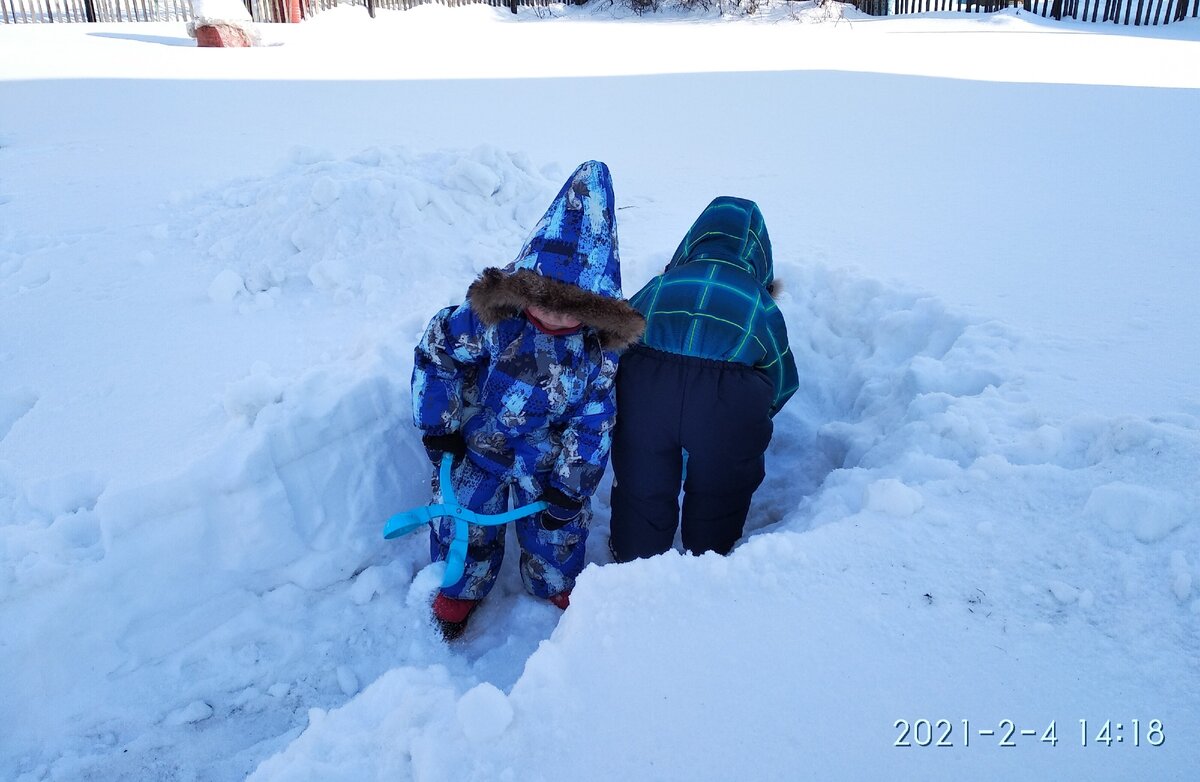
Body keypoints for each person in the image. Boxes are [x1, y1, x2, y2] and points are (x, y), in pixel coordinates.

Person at [412, 160, 644, 640]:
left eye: (572, 308)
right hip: (483, 441)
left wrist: (570, 486)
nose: (555, 316)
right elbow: (438, 353)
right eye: (544, 300)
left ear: (595, 307)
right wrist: (441, 425)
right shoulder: (491, 320)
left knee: (558, 526)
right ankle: (460, 585)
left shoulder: (595, 354)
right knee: (463, 516)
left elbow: (594, 422)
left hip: (549, 456)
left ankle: (554, 580)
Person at [608, 196, 798, 563]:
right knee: (722, 483)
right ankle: (709, 557)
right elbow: (780, 375)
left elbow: (622, 335)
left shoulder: (662, 284)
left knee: (642, 477)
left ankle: (634, 555)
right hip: (728, 400)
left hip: (648, 385)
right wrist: (757, 415)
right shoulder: (759, 301)